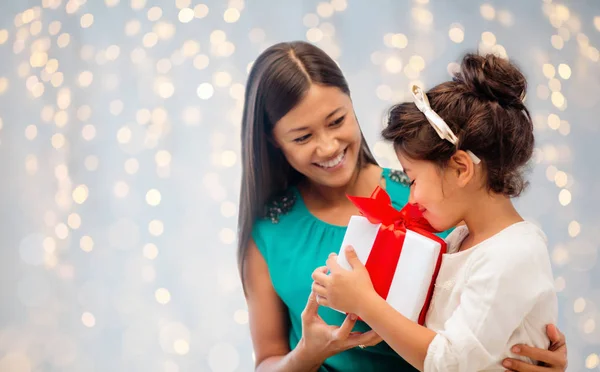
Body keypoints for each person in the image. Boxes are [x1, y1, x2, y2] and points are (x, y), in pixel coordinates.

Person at [237, 41, 568, 371]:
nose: (327, 147)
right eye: (302, 137)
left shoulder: (438, 202)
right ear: (273, 140)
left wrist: (534, 347)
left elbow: (485, 324)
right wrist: (308, 353)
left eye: (337, 121)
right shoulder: (269, 231)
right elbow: (267, 359)